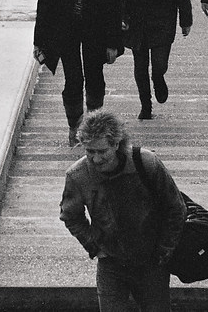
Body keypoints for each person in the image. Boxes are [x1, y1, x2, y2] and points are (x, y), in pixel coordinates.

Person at [59, 111, 185, 312]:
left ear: (116, 144)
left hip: (151, 261)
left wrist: (163, 252)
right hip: (111, 263)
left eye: (102, 151)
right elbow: (70, 216)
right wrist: (95, 247)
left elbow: (175, 208)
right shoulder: (78, 175)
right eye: (90, 151)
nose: (96, 159)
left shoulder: (146, 163)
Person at [35, 0, 124, 146]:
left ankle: (93, 128)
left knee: (95, 78)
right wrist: (39, 40)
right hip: (67, 29)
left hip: (96, 29)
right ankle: (74, 126)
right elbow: (46, 2)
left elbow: (115, 3)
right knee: (73, 79)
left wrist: (113, 42)